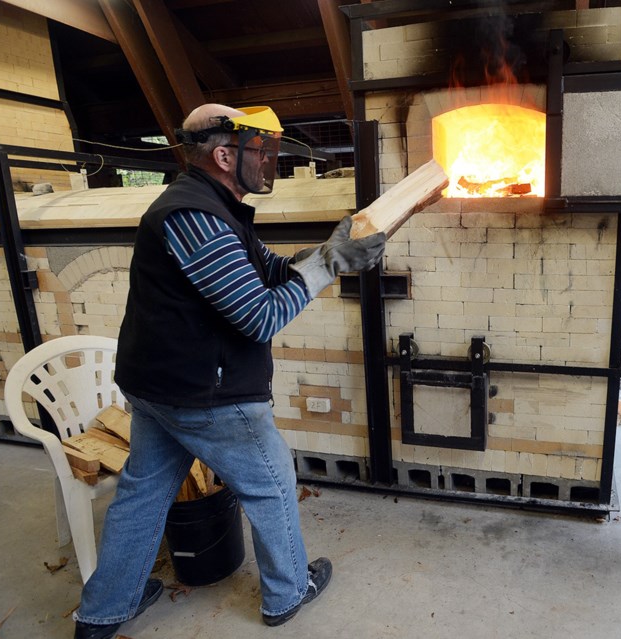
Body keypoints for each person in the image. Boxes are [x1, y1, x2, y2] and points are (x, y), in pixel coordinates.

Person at [73, 103, 386, 639]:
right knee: (272, 485)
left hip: (159, 388)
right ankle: (288, 594)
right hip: (203, 394)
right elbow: (260, 316)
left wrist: (333, 247)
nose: (272, 162)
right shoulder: (193, 217)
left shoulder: (213, 206)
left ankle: (104, 610)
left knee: (143, 493)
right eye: (262, 152)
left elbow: (269, 270)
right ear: (224, 154)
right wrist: (331, 265)